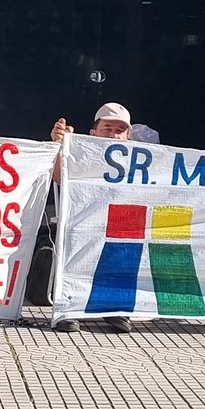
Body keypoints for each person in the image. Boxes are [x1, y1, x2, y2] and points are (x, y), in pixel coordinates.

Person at [48, 103, 135, 333]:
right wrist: (61, 145)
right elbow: (58, 177)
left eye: (119, 130)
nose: (113, 134)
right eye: (107, 128)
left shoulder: (139, 163)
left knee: (128, 237)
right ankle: (69, 306)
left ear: (129, 136)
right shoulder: (81, 153)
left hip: (119, 226)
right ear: (93, 133)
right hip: (82, 222)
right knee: (77, 236)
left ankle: (114, 306)